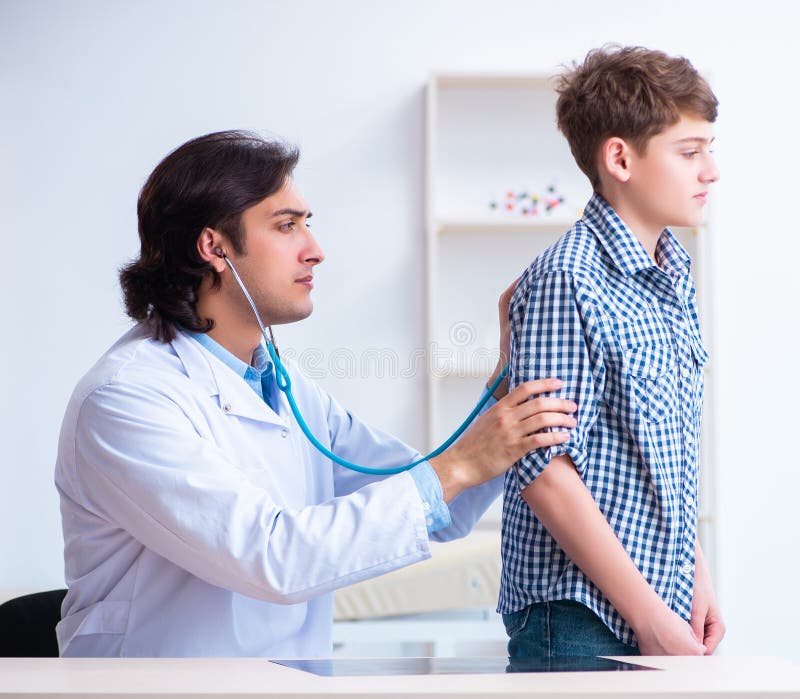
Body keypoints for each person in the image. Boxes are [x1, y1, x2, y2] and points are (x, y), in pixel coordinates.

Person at [54, 130, 577, 657]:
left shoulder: (284, 388)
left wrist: (505, 387)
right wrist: (459, 465)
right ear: (214, 247)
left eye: (307, 224)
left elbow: (442, 508)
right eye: (286, 226)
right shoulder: (126, 399)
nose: (316, 251)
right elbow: (273, 557)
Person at [498, 46, 726, 658]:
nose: (711, 171)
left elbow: (657, 457)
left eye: (711, 149)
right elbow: (542, 469)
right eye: (690, 151)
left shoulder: (673, 277)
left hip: (657, 603)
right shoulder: (567, 279)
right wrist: (648, 616)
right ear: (620, 158)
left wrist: (693, 576)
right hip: (580, 618)